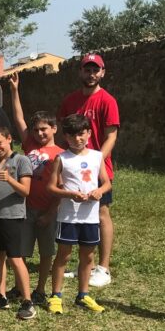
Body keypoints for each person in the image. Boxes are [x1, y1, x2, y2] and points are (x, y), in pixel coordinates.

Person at [57, 53, 120, 288]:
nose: (91, 74)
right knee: (76, 214)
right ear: (80, 72)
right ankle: (86, 264)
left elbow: (111, 135)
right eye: (87, 70)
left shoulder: (107, 100)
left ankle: (103, 267)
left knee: (101, 212)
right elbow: (63, 133)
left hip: (97, 168)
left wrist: (95, 162)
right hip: (73, 168)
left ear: (102, 72)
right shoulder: (70, 100)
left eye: (96, 70)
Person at [7, 74, 63, 305]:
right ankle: (22, 287)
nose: (39, 133)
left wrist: (51, 212)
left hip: (48, 210)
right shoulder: (29, 145)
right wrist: (14, 91)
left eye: (44, 129)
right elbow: (19, 119)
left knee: (47, 253)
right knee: (20, 251)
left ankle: (40, 289)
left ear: (54, 128)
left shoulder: (60, 153)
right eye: (36, 130)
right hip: (25, 209)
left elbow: (61, 186)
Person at [47, 114, 111, 314]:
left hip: (90, 217)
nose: (78, 139)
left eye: (82, 134)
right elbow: (51, 187)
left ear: (89, 134)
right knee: (64, 256)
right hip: (68, 216)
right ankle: (56, 296)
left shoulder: (96, 156)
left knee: (88, 256)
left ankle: (83, 295)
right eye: (72, 136)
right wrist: (69, 194)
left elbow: (106, 182)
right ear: (65, 137)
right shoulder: (62, 158)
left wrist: (99, 191)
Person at [0, 125, 35, 320]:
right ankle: (0, 295)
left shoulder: (21, 161)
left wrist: (10, 179)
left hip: (13, 216)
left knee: (15, 258)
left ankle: (27, 299)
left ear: (9, 139)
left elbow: (26, 191)